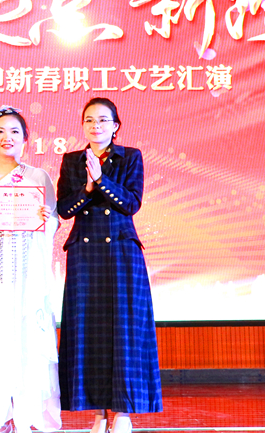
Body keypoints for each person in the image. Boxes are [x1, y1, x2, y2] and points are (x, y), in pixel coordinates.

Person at [57, 97, 162, 433]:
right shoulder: (72, 160)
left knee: (125, 330)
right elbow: (64, 209)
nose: (96, 126)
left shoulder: (130, 157)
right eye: (89, 120)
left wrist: (102, 179)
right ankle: (99, 412)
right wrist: (88, 187)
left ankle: (123, 412)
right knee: (88, 331)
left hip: (121, 251)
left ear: (116, 126)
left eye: (103, 120)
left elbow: (131, 203)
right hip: (84, 254)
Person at [0, 106, 62, 433]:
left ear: (25, 138)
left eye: (14, 131)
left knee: (28, 335)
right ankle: (0, 415)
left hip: (29, 268)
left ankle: (29, 414)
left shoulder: (39, 177)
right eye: (0, 131)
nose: (7, 137)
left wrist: (48, 218)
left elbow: (53, 222)